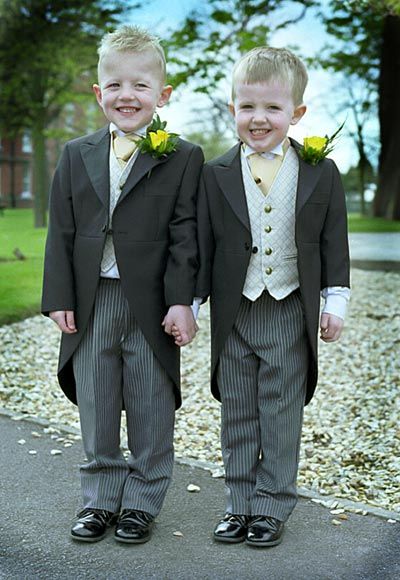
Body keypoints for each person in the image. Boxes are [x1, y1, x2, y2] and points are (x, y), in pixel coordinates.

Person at [41, 25, 203, 544]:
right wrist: (59, 298)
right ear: (98, 92)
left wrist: (182, 301)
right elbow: (61, 232)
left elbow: (185, 235)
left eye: (140, 86)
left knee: (152, 402)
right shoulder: (75, 153)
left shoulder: (182, 156)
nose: (126, 96)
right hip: (91, 302)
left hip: (152, 303)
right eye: (114, 85)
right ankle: (99, 499)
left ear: (163, 94)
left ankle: (142, 501)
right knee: (97, 401)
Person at [195, 47, 350, 548]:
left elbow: (333, 241)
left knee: (281, 411)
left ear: (297, 114)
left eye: (272, 108)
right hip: (234, 309)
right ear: (232, 109)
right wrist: (190, 303)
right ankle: (238, 503)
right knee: (237, 408)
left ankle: (272, 505)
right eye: (246, 107)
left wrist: (336, 300)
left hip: (288, 307)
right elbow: (203, 244)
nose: (258, 118)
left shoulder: (321, 172)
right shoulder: (214, 173)